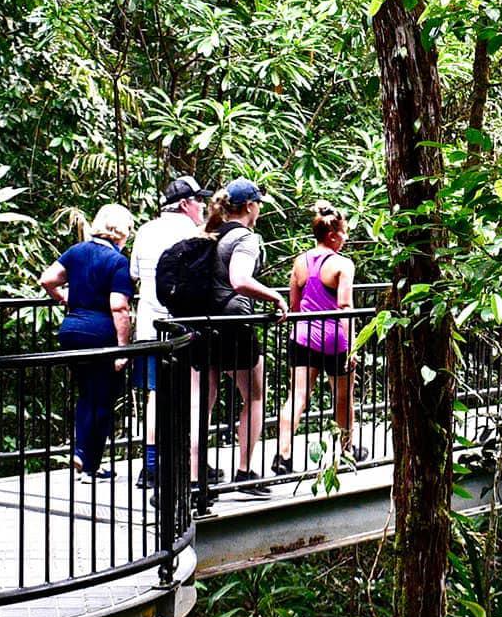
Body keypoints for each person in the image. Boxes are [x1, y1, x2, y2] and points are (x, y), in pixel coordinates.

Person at [39, 205, 136, 480]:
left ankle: (81, 452)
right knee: (103, 398)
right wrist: (122, 348)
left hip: (71, 330)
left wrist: (64, 297)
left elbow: (47, 279)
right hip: (100, 334)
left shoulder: (77, 251)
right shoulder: (117, 262)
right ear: (121, 231)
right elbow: (119, 307)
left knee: (86, 394)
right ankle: (90, 462)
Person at [129, 176, 205, 488]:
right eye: (198, 201)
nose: (202, 206)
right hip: (182, 328)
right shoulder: (194, 233)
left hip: (148, 326)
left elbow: (135, 273)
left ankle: (150, 466)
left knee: (154, 395)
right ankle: (191, 465)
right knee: (191, 395)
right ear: (186, 204)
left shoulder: (145, 231)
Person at [272, 204, 357, 482]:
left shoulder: (300, 262)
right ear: (333, 235)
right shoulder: (343, 265)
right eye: (343, 233)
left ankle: (282, 455)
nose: (345, 238)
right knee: (343, 397)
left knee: (297, 397)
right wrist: (353, 347)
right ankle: (347, 450)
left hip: (303, 336)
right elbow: (345, 306)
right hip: (334, 339)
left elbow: (295, 303)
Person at [204, 180, 279, 490]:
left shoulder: (208, 232)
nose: (259, 209)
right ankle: (244, 471)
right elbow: (239, 279)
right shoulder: (245, 238)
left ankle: (197, 476)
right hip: (234, 323)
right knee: (255, 395)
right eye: (258, 203)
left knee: (202, 402)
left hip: (203, 321)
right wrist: (274, 297)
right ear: (249, 206)